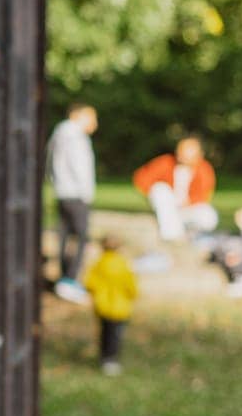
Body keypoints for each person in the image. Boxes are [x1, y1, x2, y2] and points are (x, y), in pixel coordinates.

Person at [46, 102, 97, 302]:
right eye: (91, 118)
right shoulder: (76, 136)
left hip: (62, 190)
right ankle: (70, 279)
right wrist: (86, 192)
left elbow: (49, 160)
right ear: (79, 115)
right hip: (76, 193)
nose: (94, 123)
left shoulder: (59, 133)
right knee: (82, 236)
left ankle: (63, 277)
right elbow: (80, 167)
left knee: (65, 235)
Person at [133, 136, 218, 242]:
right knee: (160, 189)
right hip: (167, 206)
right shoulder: (165, 162)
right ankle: (172, 236)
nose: (181, 153)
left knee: (209, 216)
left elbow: (204, 193)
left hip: (188, 209)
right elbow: (141, 178)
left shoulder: (204, 169)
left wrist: (188, 203)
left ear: (199, 154)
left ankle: (190, 233)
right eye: (180, 149)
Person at [83, 233, 138, 375]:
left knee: (104, 333)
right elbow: (131, 286)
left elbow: (90, 283)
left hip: (103, 306)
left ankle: (104, 357)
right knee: (116, 335)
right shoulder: (123, 264)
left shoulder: (99, 264)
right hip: (120, 308)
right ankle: (112, 359)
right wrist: (132, 295)